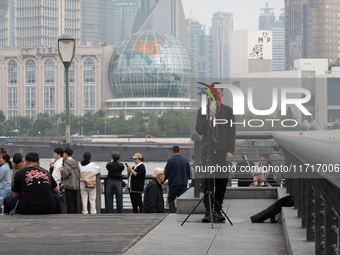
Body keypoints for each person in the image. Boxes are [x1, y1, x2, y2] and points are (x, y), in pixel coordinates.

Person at [196, 82, 236, 223]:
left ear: (222, 94)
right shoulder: (202, 110)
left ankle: (218, 210)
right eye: (213, 93)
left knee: (221, 181)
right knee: (207, 181)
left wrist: (230, 151)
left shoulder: (228, 111)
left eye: (218, 92)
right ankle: (208, 211)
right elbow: (199, 130)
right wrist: (208, 118)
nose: (215, 95)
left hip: (222, 151)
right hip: (207, 151)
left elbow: (232, 133)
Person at [164, 146, 190, 213]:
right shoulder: (186, 160)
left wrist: (163, 180)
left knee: (170, 199)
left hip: (173, 183)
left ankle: (173, 213)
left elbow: (166, 172)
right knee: (182, 199)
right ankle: (182, 212)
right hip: (183, 183)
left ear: (172, 152)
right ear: (179, 151)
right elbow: (189, 173)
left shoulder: (170, 161)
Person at [62, 148, 80, 214]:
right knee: (75, 201)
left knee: (69, 202)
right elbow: (79, 173)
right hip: (75, 184)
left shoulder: (66, 163)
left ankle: (70, 215)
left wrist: (61, 171)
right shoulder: (76, 163)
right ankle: (75, 214)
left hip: (68, 184)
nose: (63, 155)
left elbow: (66, 173)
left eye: (64, 153)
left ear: (66, 154)